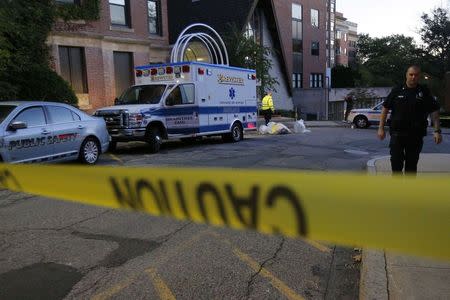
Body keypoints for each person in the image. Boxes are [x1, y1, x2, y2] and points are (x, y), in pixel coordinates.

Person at [377, 65, 442, 175]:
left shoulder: (424, 92)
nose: (413, 77)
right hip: (397, 134)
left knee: (411, 166)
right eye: (411, 74)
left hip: (415, 135)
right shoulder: (397, 90)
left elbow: (434, 111)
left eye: (416, 75)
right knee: (396, 162)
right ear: (406, 75)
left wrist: (437, 131)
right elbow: (385, 109)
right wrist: (381, 128)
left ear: (419, 77)